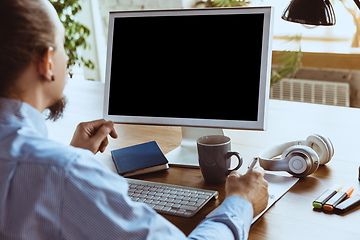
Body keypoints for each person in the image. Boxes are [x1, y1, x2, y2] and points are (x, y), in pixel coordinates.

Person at [0, 0, 269, 239]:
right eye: (61, 45)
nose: (66, 57)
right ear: (47, 62)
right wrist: (240, 202)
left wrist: (71, 156)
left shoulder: (53, 170)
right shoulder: (62, 173)